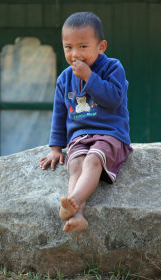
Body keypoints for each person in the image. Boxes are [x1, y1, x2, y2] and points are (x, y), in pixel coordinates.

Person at [39, 11, 132, 233]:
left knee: (92, 162)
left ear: (101, 47)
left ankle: (72, 199)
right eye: (68, 47)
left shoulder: (113, 68)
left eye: (83, 47)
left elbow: (114, 98)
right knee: (76, 166)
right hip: (80, 136)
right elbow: (59, 113)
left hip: (110, 133)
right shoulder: (64, 78)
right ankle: (77, 215)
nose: (74, 54)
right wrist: (55, 148)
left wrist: (90, 77)